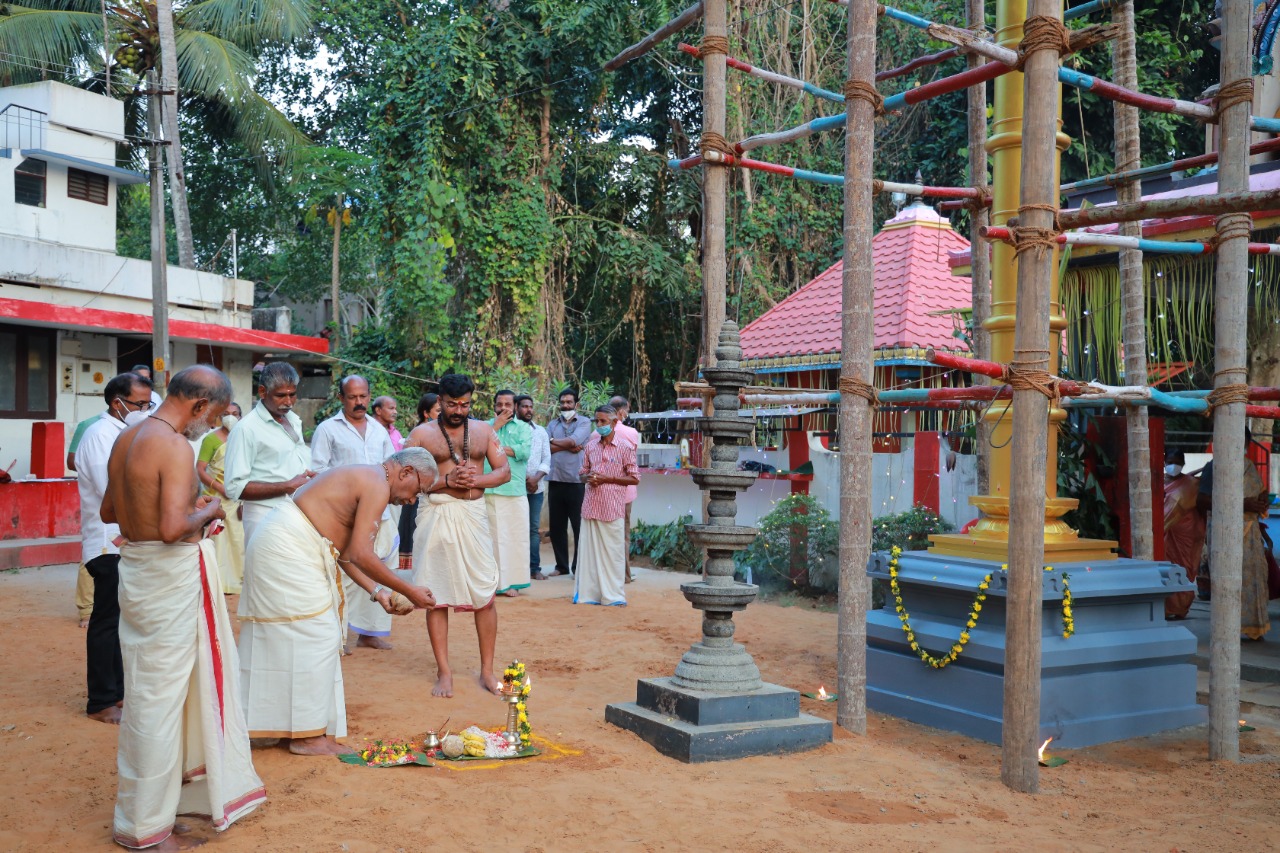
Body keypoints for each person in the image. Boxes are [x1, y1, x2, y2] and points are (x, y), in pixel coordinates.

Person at [101, 365, 264, 850]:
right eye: (211, 417)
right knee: (158, 704)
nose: (210, 427)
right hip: (168, 573)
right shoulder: (172, 445)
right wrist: (211, 508)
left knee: (154, 695)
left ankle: (155, 813)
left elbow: (111, 512)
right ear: (198, 407)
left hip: (140, 573)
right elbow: (174, 528)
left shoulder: (129, 436)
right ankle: (144, 830)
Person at [239, 450, 437, 755]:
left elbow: (344, 550)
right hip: (287, 548)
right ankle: (305, 736)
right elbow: (360, 553)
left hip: (283, 542)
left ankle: (282, 726)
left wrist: (378, 592)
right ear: (406, 472)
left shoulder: (370, 477)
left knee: (289, 637)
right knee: (316, 634)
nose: (412, 501)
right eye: (418, 491)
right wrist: (408, 590)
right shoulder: (377, 484)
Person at [407, 374, 510, 698]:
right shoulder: (421, 435)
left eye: (465, 404)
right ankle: (445, 672)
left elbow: (503, 472)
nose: (458, 410)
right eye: (452, 404)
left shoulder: (483, 431)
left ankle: (487, 671)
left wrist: (476, 482)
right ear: (440, 400)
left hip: (473, 516)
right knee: (434, 594)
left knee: (485, 592)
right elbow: (405, 480)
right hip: (436, 514)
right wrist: (446, 480)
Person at [77, 372, 154, 724]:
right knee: (106, 621)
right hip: (107, 540)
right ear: (116, 402)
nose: (144, 410)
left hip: (128, 541)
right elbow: (110, 489)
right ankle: (101, 701)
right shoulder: (98, 435)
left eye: (148, 404)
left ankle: (119, 694)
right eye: (139, 404)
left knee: (123, 620)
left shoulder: (129, 434)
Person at [310, 376, 400, 652]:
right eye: (352, 397)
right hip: (344, 515)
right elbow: (317, 471)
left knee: (380, 568)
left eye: (363, 396)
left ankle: (370, 633)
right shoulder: (327, 430)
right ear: (341, 399)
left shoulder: (379, 430)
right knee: (342, 574)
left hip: (379, 513)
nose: (359, 402)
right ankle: (340, 634)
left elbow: (390, 469)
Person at [223, 363, 313, 546]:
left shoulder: (293, 420)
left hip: (299, 512)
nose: (288, 402)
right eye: (281, 395)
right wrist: (286, 486)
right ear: (263, 392)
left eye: (292, 394)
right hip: (264, 515)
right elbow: (234, 488)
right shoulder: (246, 429)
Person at [1197, 428, 1272, 640]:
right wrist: (1242, 503)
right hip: (1225, 532)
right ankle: (1228, 629)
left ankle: (1255, 628)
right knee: (1229, 581)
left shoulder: (1248, 466)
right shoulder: (1214, 467)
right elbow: (1201, 502)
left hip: (1250, 532)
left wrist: (1261, 501)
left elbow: (1259, 492)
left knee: (1256, 579)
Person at [574, 405, 640, 606]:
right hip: (591, 506)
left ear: (614, 422)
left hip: (613, 508)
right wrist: (589, 478)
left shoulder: (625, 447)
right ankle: (588, 594)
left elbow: (635, 478)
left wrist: (608, 478)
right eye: (597, 421)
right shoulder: (591, 446)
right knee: (589, 554)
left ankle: (614, 595)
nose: (599, 425)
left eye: (603, 421)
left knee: (613, 554)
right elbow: (582, 473)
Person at [195, 402, 245, 594]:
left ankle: (237, 582)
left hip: (238, 498)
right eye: (226, 413)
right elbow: (200, 469)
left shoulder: (243, 437)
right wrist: (220, 488)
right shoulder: (211, 439)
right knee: (218, 540)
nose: (230, 417)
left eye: (234, 413)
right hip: (215, 498)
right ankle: (216, 583)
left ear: (240, 417)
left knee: (238, 540)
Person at [485, 390, 532, 596]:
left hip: (514, 490)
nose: (503, 408)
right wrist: (494, 429)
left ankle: (513, 582)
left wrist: (494, 447)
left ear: (514, 407)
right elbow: (474, 449)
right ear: (494, 406)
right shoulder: (484, 427)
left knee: (515, 539)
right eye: (499, 404)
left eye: (507, 404)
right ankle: (492, 583)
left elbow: (524, 452)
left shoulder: (523, 428)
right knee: (490, 539)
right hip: (487, 490)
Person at [545, 388, 592, 577]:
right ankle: (561, 566)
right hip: (555, 480)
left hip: (576, 482)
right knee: (557, 527)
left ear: (576, 404)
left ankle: (577, 567)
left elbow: (575, 441)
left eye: (569, 402)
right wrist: (568, 444)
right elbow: (547, 446)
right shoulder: (552, 424)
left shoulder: (584, 422)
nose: (565, 406)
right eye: (563, 402)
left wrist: (556, 443)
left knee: (579, 527)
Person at [70, 412, 108, 627]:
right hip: (97, 501)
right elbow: (71, 460)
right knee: (92, 553)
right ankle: (86, 609)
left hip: (122, 502)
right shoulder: (90, 426)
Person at [398, 392, 440, 571]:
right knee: (416, 528)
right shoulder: (419, 434)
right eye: (438, 410)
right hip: (419, 489)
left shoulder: (439, 431)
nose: (443, 413)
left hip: (435, 489)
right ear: (426, 413)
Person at [1162, 450, 1206, 620]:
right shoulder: (1156, 482)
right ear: (1165, 462)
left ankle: (1181, 608)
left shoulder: (1191, 484)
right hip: (1165, 535)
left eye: (1177, 462)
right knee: (1166, 570)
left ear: (1183, 464)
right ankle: (1166, 607)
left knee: (1184, 571)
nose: (1174, 465)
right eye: (1171, 461)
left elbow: (1201, 508)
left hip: (1186, 535)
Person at [517, 395, 551, 580]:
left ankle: (534, 568)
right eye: (524, 406)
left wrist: (535, 479)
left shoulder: (541, 432)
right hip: (514, 487)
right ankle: (516, 570)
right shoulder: (510, 430)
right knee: (515, 528)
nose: (528, 410)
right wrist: (523, 480)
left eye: (530, 406)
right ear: (517, 408)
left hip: (535, 489)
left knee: (533, 529)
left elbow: (547, 459)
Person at [608, 395, 641, 583]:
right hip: (625, 491)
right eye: (627, 410)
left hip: (603, 491)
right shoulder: (631, 433)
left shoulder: (596, 433)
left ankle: (609, 573)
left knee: (606, 532)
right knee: (623, 534)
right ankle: (625, 575)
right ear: (621, 412)